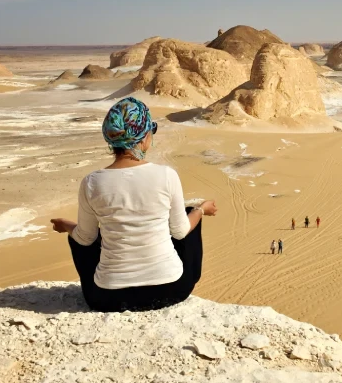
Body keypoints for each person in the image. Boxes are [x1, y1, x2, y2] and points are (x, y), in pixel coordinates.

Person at [50, 97, 217, 313]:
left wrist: (66, 225)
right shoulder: (166, 175)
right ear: (145, 137)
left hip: (106, 298)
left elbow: (86, 239)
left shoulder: (92, 182)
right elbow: (180, 230)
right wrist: (201, 209)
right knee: (188, 215)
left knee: (80, 234)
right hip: (172, 290)